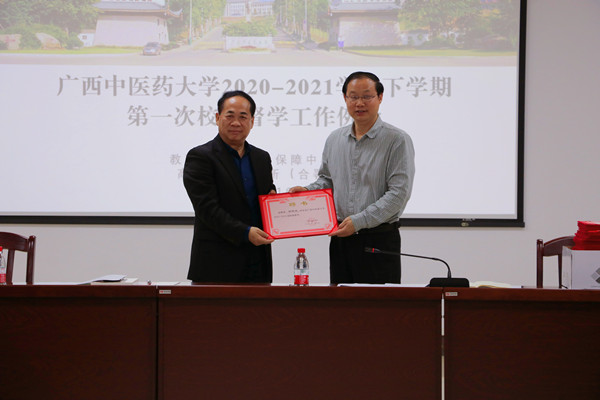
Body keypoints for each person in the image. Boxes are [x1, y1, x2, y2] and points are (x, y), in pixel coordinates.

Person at [290, 71, 415, 284]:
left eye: (367, 96)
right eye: (353, 97)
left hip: (379, 240)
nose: (359, 103)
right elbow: (327, 181)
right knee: (341, 303)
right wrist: (307, 192)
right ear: (345, 98)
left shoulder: (397, 140)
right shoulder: (334, 139)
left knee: (378, 304)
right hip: (341, 240)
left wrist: (358, 221)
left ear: (380, 97)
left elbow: (398, 194)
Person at [183, 90, 276, 283]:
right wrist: (245, 232)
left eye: (243, 117)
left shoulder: (261, 157)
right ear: (218, 118)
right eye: (230, 116)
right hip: (216, 263)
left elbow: (268, 196)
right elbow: (207, 209)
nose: (236, 123)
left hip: (258, 262)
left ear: (252, 121)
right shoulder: (200, 157)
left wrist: (281, 204)